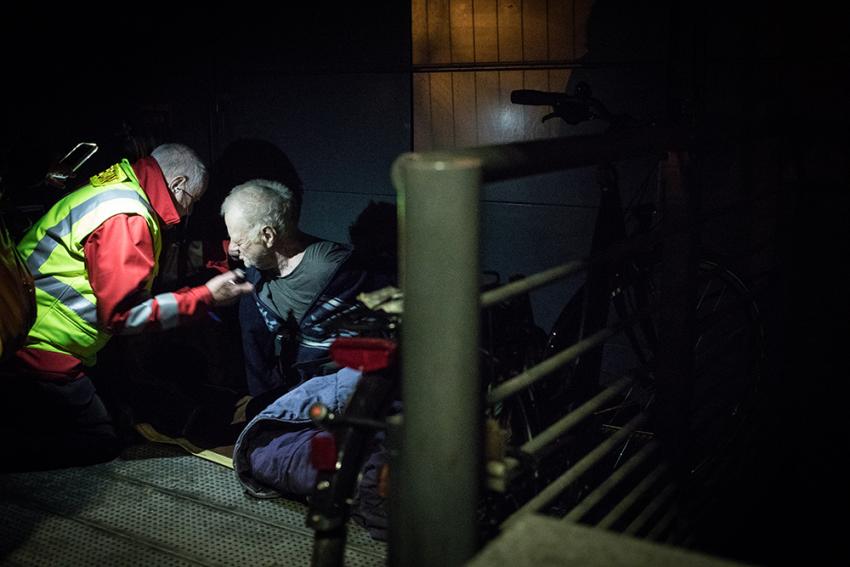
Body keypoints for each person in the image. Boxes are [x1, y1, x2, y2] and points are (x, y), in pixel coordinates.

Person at [0, 143, 253, 471]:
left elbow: (145, 264)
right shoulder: (128, 217)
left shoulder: (120, 188)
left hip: (32, 329)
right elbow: (123, 315)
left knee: (124, 407)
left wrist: (218, 254)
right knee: (102, 439)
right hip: (42, 345)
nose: (189, 211)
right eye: (193, 200)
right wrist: (205, 297)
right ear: (176, 184)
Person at [221, 178, 382, 403]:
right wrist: (265, 406)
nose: (232, 249)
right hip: (294, 392)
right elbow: (256, 355)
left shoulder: (333, 269)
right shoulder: (255, 278)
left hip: (341, 394)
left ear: (268, 236)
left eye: (239, 240)